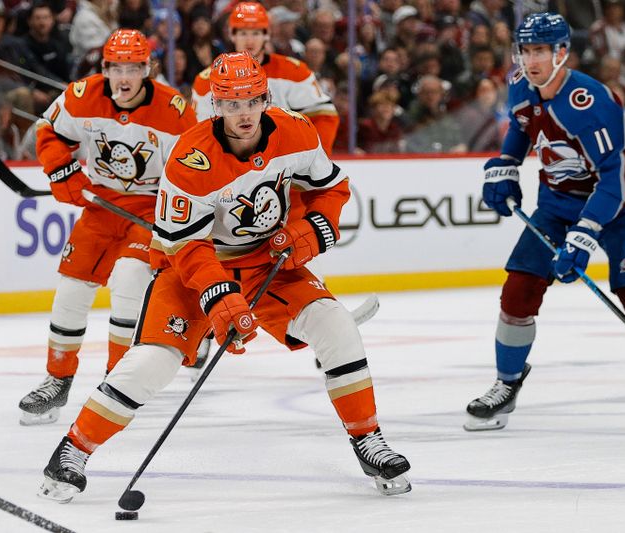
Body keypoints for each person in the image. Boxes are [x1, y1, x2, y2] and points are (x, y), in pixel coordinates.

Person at [37, 52, 412, 503]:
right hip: (190, 269)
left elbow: (331, 187)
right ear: (216, 105)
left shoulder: (295, 131)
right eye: (232, 104)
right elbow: (186, 247)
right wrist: (221, 298)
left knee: (336, 325)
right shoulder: (189, 159)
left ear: (265, 97)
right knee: (154, 362)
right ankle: (72, 450)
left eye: (251, 100)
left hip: (265, 262)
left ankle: (367, 439)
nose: (244, 113)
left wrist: (314, 227)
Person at [465, 13, 625, 432]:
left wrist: (586, 234)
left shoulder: (590, 101)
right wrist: (506, 165)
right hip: (557, 202)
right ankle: (506, 383)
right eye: (525, 50)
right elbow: (522, 126)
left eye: (540, 51)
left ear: (561, 52)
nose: (530, 60)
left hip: (621, 205)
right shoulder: (518, 84)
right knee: (518, 291)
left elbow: (617, 176)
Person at [17, 29, 197, 425]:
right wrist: (61, 171)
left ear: (148, 69)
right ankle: (56, 378)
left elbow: (191, 172)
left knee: (131, 281)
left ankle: (115, 380)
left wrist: (180, 220)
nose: (125, 77)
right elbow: (50, 133)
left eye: (134, 68)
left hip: (152, 209)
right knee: (71, 288)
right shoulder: (82, 95)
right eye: (117, 68)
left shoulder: (174, 110)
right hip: (101, 207)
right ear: (105, 69)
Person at [190, 2, 339, 155]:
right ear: (232, 34)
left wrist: (314, 159)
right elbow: (201, 132)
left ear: (266, 34)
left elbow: (324, 115)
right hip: (232, 168)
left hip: (283, 166)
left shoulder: (294, 72)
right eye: (243, 33)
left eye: (256, 33)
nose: (249, 41)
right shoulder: (207, 81)